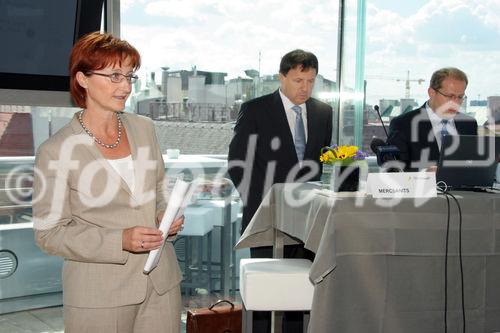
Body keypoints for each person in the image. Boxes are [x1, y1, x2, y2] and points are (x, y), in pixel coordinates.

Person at [32, 32, 184, 333]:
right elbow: (49, 233)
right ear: (83, 79)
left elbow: (158, 190)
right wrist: (120, 240)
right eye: (115, 76)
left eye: (130, 76)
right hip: (99, 295)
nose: (126, 86)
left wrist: (166, 216)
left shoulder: (144, 129)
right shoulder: (55, 150)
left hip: (161, 285)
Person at [228, 49, 333, 333]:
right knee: (266, 297)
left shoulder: (324, 112)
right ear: (282, 77)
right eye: (299, 80)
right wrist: (262, 204)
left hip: (308, 220)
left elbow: (319, 163)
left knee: (300, 293)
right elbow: (237, 165)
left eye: (311, 81)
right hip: (268, 218)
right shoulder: (256, 110)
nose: (305, 88)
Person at [387, 67, 478, 171]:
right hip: (421, 186)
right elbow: (396, 172)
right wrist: (425, 174)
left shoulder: (469, 124)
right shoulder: (403, 124)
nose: (455, 102)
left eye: (460, 97)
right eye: (449, 96)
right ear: (431, 93)